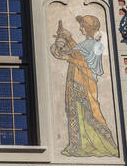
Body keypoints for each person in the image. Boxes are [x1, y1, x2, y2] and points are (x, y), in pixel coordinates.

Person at [50, 14, 119, 157]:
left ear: (89, 27)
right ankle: (77, 145)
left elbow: (89, 67)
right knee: (75, 113)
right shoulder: (84, 44)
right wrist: (62, 43)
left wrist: (69, 46)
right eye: (81, 25)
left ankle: (105, 145)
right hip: (75, 81)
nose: (81, 28)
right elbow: (75, 53)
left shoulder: (97, 45)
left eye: (83, 25)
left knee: (91, 113)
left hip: (85, 84)